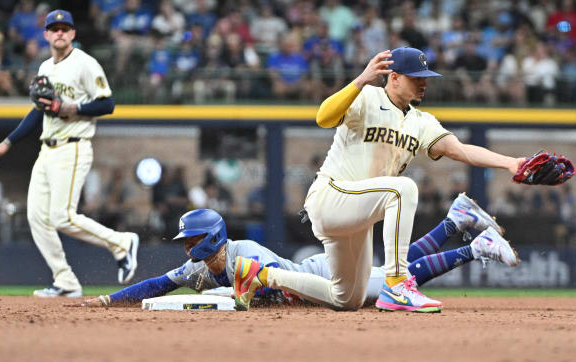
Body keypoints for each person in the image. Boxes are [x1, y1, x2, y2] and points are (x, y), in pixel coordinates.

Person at [233, 46, 526, 313]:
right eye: (415, 77)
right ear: (394, 77)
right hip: (330, 197)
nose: (423, 82)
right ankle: (398, 285)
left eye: (425, 77)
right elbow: (323, 117)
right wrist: (360, 80)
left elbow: (461, 150)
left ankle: (259, 274)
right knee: (403, 190)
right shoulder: (367, 97)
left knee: (346, 299)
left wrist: (511, 163)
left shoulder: (421, 122)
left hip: (357, 213)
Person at [80, 198, 517, 307]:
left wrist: (235, 295)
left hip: (322, 276)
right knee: (390, 270)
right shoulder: (199, 267)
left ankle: (474, 247)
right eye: (187, 244)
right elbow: (160, 284)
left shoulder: (243, 252)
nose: (188, 250)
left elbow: (271, 286)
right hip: (314, 276)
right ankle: (455, 220)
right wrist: (110, 299)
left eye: (192, 242)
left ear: (211, 240)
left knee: (386, 286)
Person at [0, 9, 139, 298]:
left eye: (64, 28)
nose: (59, 32)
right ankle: (65, 280)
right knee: (36, 217)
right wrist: (7, 143)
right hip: (47, 150)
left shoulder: (85, 64)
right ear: (45, 35)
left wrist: (74, 108)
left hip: (74, 145)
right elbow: (38, 112)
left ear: (72, 34)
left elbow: (108, 104)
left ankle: (121, 242)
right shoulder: (45, 68)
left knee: (62, 217)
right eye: (53, 28)